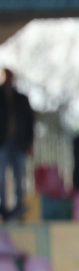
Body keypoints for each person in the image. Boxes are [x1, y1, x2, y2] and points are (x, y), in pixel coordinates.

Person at [0, 69, 35, 221]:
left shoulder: (21, 99)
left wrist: (30, 143)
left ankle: (20, 208)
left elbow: (30, 123)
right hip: (2, 143)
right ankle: (3, 209)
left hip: (19, 144)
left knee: (20, 176)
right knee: (1, 178)